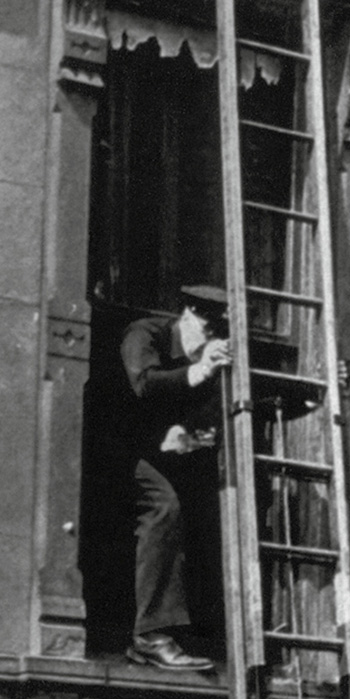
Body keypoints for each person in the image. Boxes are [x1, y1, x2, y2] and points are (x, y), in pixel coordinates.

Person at [119, 285, 232, 671]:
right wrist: (200, 371)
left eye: (218, 333)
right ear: (186, 315)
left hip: (156, 456)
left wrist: (191, 433)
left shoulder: (205, 358)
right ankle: (150, 635)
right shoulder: (144, 334)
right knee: (164, 507)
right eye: (207, 328)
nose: (210, 340)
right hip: (111, 452)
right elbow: (145, 384)